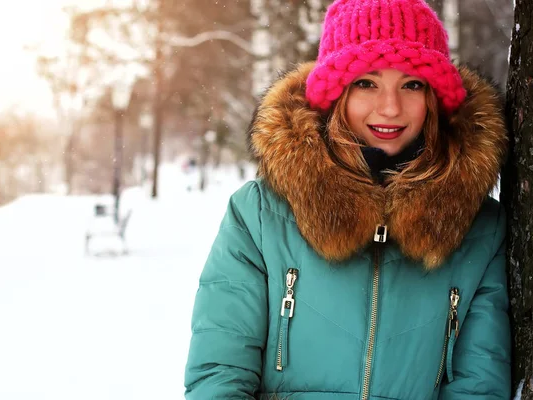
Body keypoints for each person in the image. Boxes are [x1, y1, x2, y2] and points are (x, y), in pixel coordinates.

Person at [184, 0, 511, 398]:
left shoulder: (480, 226)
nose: (390, 108)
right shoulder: (258, 215)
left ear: (433, 99)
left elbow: (479, 384)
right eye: (366, 83)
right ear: (337, 93)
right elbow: (220, 371)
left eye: (412, 84)